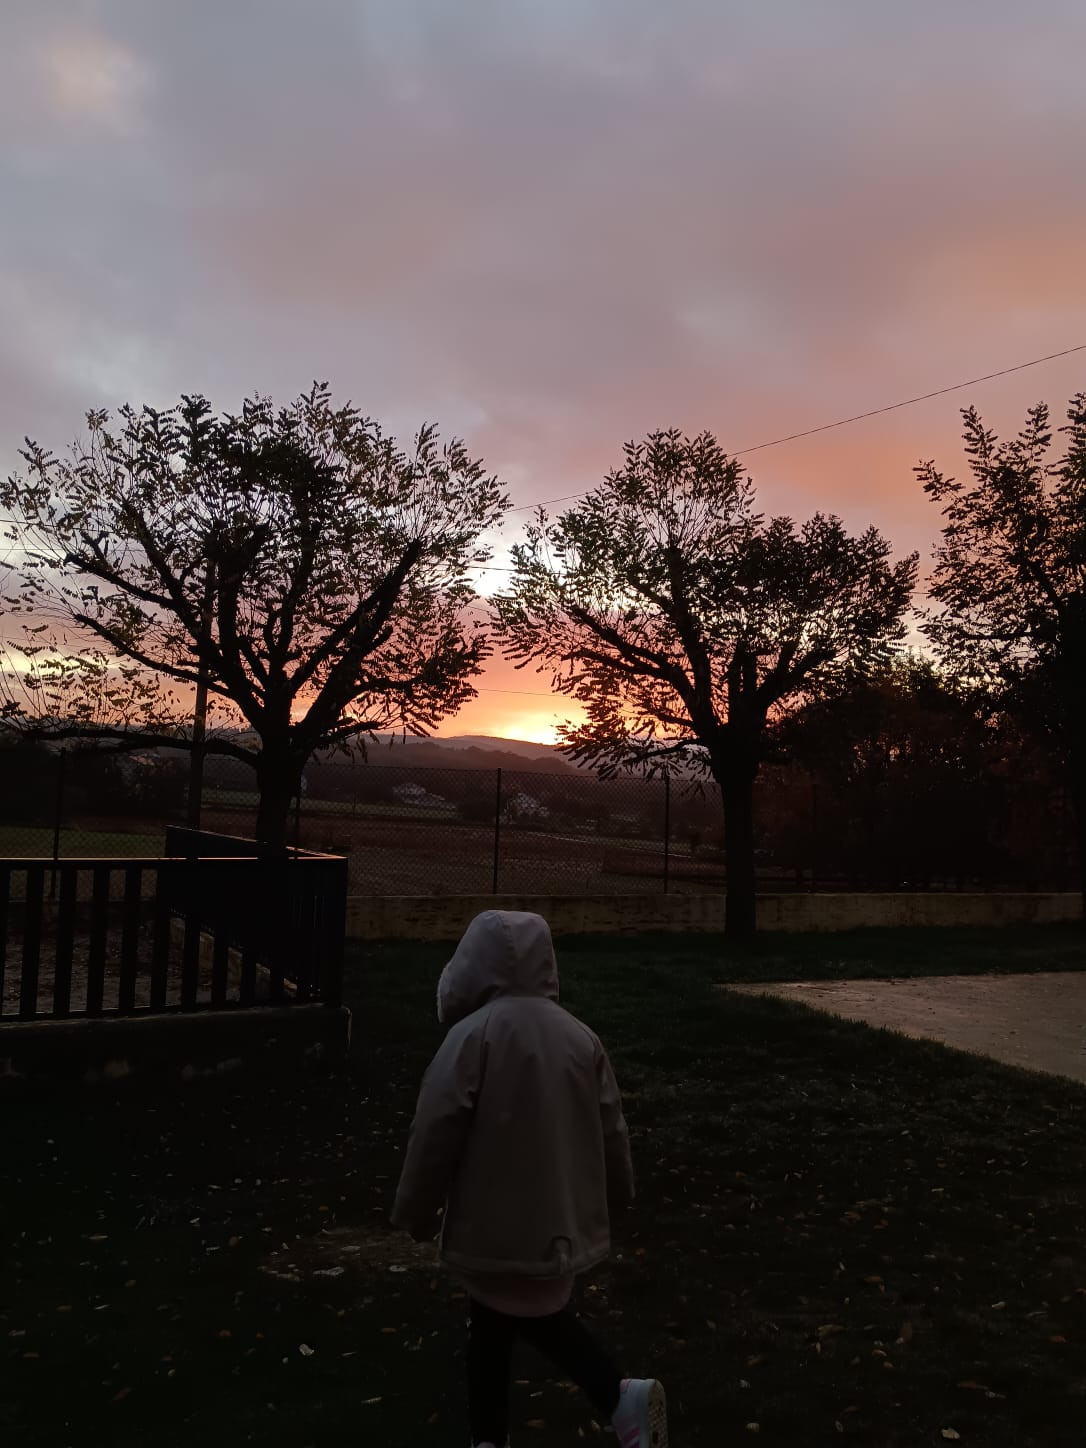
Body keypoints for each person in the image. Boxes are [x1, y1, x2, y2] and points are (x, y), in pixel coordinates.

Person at [391, 909, 668, 1448]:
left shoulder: (472, 1040)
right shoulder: (581, 1040)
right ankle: (579, 1410)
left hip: (490, 1221)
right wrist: (618, 1193)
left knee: (504, 1318)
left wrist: (416, 1211)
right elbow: (612, 1127)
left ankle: (611, 1395)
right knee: (502, 1321)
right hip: (559, 1218)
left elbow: (435, 1131)